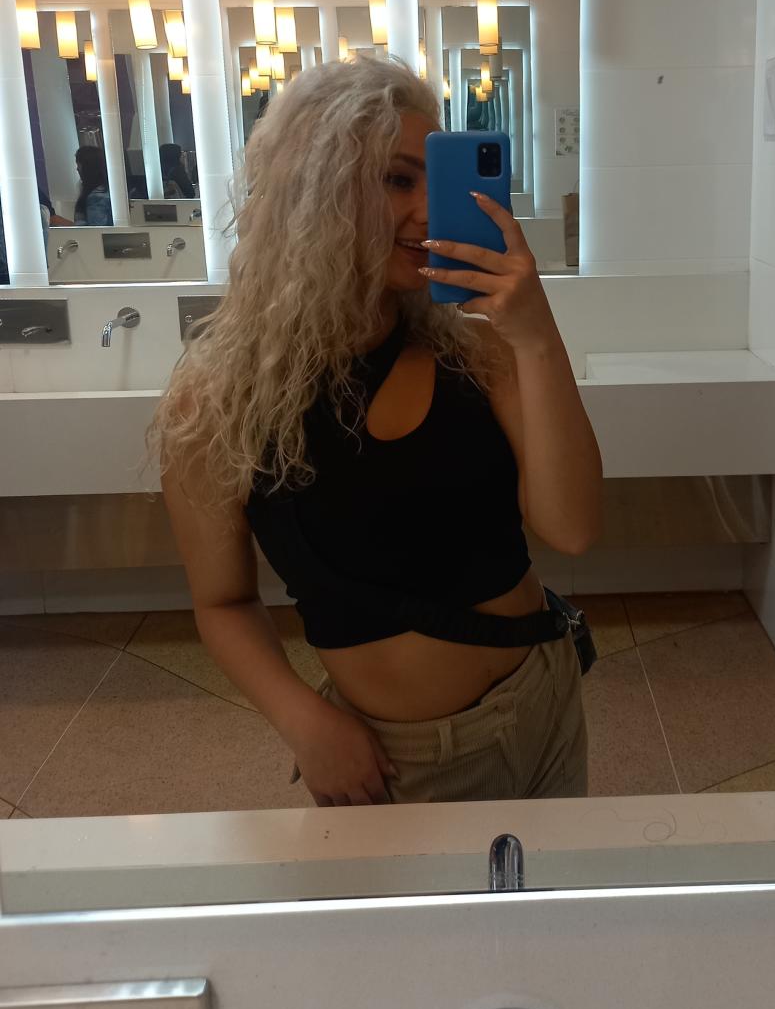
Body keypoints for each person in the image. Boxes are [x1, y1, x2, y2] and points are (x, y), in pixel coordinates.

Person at [152, 57, 602, 807]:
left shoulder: (477, 353)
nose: (429, 209)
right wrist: (303, 721)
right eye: (398, 180)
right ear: (316, 191)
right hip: (405, 758)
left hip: (547, 694)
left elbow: (575, 528)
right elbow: (222, 602)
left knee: (553, 888)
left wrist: (534, 332)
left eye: (436, 180)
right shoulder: (216, 403)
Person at [72, 146, 112, 226]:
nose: (77, 169)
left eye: (79, 165)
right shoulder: (109, 192)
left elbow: (96, 228)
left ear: (86, 167)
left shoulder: (96, 197)